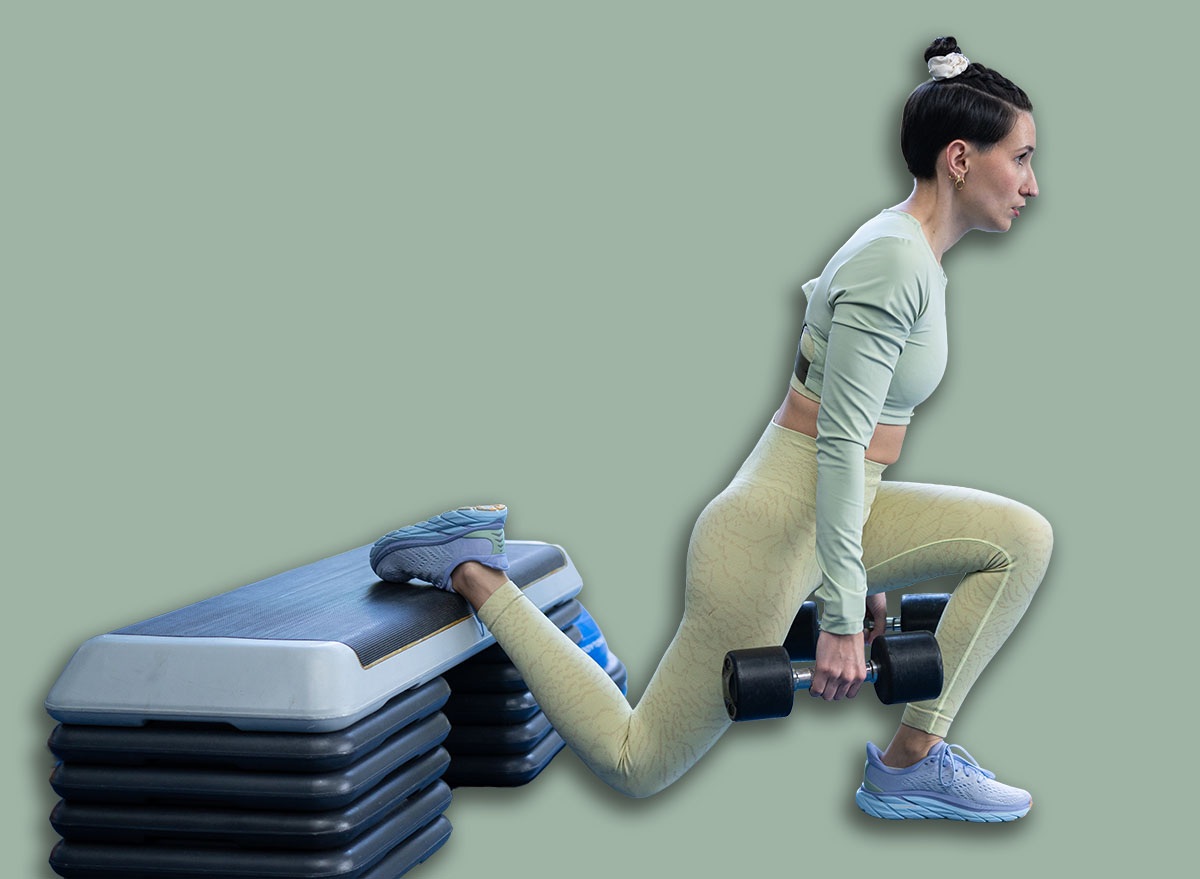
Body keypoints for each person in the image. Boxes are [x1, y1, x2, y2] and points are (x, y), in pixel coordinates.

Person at [370, 36, 1052, 822]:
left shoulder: (915, 258)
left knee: (1021, 539)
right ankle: (470, 570)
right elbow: (836, 443)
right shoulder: (894, 263)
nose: (1033, 184)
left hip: (835, 509)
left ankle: (913, 762)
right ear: (961, 159)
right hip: (768, 534)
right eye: (1024, 158)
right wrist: (837, 615)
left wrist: (852, 575)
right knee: (637, 761)